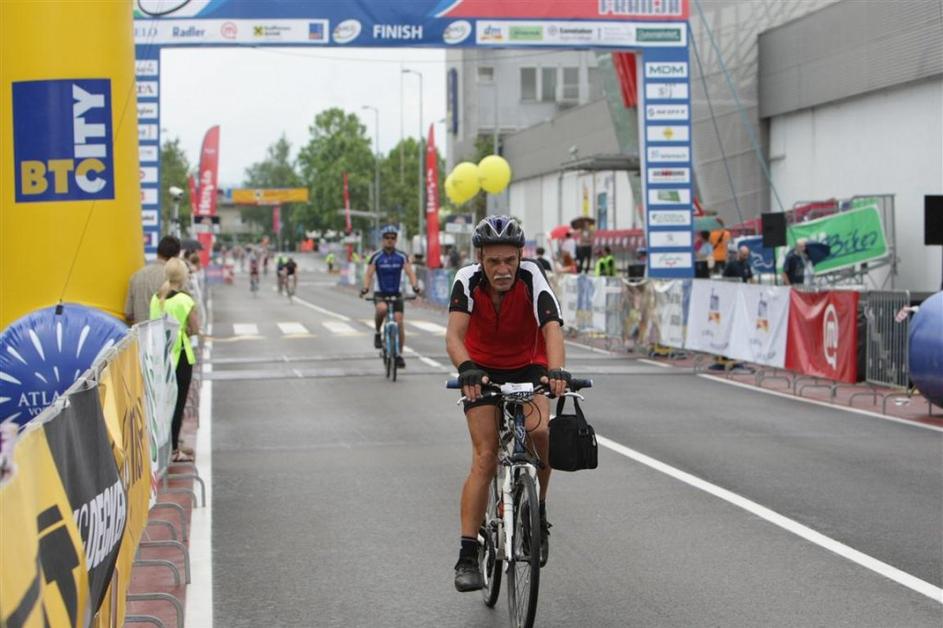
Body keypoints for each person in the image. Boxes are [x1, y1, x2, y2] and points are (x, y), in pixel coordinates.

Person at [447, 215, 569, 592]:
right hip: (480, 369)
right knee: (485, 457)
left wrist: (557, 371)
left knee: (540, 433)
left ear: (520, 257)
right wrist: (466, 368)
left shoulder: (533, 276)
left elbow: (552, 328)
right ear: (480, 259)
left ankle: (538, 512)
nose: (503, 269)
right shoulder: (467, 279)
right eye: (494, 261)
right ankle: (468, 555)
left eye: (509, 260)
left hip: (528, 365)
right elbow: (454, 336)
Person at [149, 258, 200, 463]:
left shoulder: (156, 298)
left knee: (163, 403)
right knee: (177, 404)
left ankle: (165, 446)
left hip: (160, 356)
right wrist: (186, 329)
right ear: (184, 276)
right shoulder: (185, 300)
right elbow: (195, 328)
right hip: (180, 356)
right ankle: (174, 450)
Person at [359, 225, 421, 368]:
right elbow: (369, 274)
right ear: (382, 239)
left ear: (396, 240)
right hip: (380, 293)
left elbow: (410, 272)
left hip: (396, 293)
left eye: (393, 237)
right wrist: (365, 288)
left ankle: (398, 354)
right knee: (381, 309)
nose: (390, 240)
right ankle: (377, 332)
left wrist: (415, 286)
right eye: (387, 237)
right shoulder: (376, 256)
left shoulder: (401, 256)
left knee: (399, 322)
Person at [124, 235, 181, 325]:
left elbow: (128, 314)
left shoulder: (136, 276)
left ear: (158, 252)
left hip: (141, 332)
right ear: (176, 256)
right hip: (167, 331)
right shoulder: (175, 277)